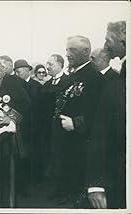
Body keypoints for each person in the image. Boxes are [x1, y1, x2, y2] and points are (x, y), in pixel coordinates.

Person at [53, 35, 104, 207]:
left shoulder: (95, 78)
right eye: (67, 49)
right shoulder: (74, 75)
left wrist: (76, 123)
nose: (67, 54)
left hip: (82, 143)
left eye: (72, 50)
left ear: (86, 52)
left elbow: (100, 113)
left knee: (80, 193)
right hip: (67, 142)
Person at [86, 20, 126, 209]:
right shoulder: (119, 80)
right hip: (117, 173)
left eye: (108, 39)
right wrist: (96, 182)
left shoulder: (116, 80)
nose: (105, 45)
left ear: (125, 39)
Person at [0, 53, 31, 207]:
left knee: (8, 172)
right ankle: (2, 203)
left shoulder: (9, 79)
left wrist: (12, 118)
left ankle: (9, 206)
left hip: (8, 134)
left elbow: (26, 102)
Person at [41, 54, 69, 199]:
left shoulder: (68, 82)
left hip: (63, 129)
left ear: (59, 64)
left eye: (50, 64)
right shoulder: (46, 85)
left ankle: (64, 192)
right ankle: (57, 189)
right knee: (52, 158)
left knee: (62, 159)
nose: (47, 67)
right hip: (48, 129)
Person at [13, 59, 41, 191]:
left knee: (32, 154)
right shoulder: (16, 85)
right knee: (21, 155)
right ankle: (23, 182)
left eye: (19, 71)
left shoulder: (36, 86)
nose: (17, 74)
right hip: (20, 125)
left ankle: (33, 181)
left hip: (33, 126)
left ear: (27, 70)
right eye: (16, 72)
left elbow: (36, 108)